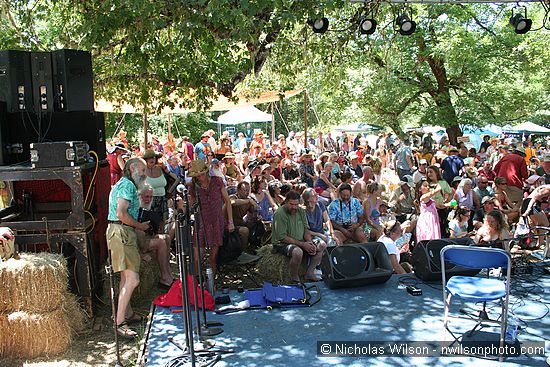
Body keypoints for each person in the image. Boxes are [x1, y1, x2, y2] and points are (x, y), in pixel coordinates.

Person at [107, 157, 151, 339]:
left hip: (119, 231)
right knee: (132, 279)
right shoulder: (128, 186)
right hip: (122, 232)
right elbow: (121, 213)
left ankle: (127, 314)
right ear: (132, 168)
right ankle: (119, 323)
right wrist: (140, 226)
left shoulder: (123, 184)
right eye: (142, 170)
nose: (144, 174)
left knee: (126, 278)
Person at [188, 160, 234, 272]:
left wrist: (230, 222)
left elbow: (227, 201)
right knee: (196, 258)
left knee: (212, 258)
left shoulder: (217, 181)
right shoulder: (193, 186)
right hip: (202, 223)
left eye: (202, 174)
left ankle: (212, 284)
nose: (200, 177)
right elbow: (191, 206)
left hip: (216, 222)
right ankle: (199, 284)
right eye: (198, 175)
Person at [272, 191, 327, 283]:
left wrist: (309, 242)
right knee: (298, 252)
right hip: (282, 244)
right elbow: (282, 238)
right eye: (291, 204)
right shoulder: (280, 213)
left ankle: (310, 273)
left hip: (301, 241)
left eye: (296, 204)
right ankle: (294, 277)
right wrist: (303, 244)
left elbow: (306, 230)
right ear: (286, 202)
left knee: (322, 245)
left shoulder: (301, 211)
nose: (294, 207)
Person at [136, 185, 174, 289]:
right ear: (139, 196)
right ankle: (164, 278)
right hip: (135, 241)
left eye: (150, 197)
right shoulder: (135, 209)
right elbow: (135, 233)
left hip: (144, 237)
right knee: (161, 242)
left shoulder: (145, 208)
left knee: (166, 238)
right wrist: (140, 254)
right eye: (146, 197)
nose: (149, 199)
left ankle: (168, 272)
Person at [143, 150, 171, 234]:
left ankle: (162, 241)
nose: (152, 159)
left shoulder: (161, 168)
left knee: (163, 224)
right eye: (150, 158)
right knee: (151, 225)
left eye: (154, 157)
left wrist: (166, 170)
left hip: (162, 199)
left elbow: (176, 179)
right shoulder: (143, 171)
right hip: (149, 201)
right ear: (146, 160)